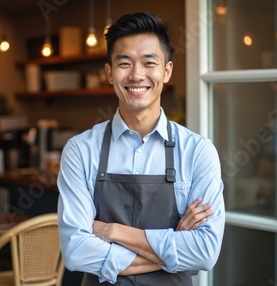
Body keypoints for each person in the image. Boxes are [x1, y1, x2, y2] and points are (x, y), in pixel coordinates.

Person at [56, 12, 225, 285]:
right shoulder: (80, 151)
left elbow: (204, 253)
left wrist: (114, 232)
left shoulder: (198, 152)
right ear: (109, 73)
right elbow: (76, 253)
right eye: (124, 63)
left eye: (149, 63)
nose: (136, 75)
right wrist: (174, 245)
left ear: (167, 71)